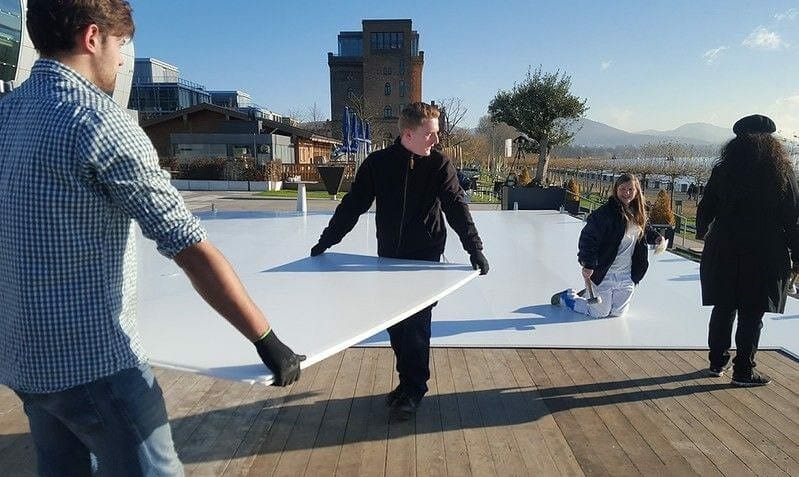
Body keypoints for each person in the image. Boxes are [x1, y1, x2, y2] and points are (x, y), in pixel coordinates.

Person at [0, 1, 304, 475]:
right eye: (121, 46)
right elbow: (190, 247)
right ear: (93, 38)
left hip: (24, 361)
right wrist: (267, 339)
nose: (121, 61)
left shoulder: (6, 114)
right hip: (95, 365)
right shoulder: (100, 122)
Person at [310, 102, 489, 420]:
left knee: (417, 326)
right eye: (431, 134)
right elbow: (353, 205)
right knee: (395, 325)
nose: (437, 140)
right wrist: (326, 242)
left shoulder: (439, 165)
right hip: (388, 260)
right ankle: (407, 383)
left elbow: (456, 208)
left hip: (424, 261)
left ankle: (414, 390)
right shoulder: (378, 164)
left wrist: (474, 248)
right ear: (409, 133)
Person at [696, 114, 799, 387]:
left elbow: (706, 208)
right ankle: (744, 370)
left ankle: (717, 362)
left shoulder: (723, 169)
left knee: (724, 306)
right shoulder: (781, 172)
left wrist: (701, 231)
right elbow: (793, 218)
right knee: (752, 313)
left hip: (724, 247)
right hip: (764, 251)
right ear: (771, 142)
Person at [552, 173, 663, 318]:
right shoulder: (604, 215)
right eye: (622, 189)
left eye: (630, 189)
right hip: (605, 272)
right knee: (599, 313)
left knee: (617, 313)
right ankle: (568, 297)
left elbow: (644, 231)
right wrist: (588, 264)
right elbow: (588, 239)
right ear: (616, 190)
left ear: (636, 191)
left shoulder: (638, 213)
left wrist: (656, 238)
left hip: (627, 274)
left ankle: (590, 293)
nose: (626, 193)